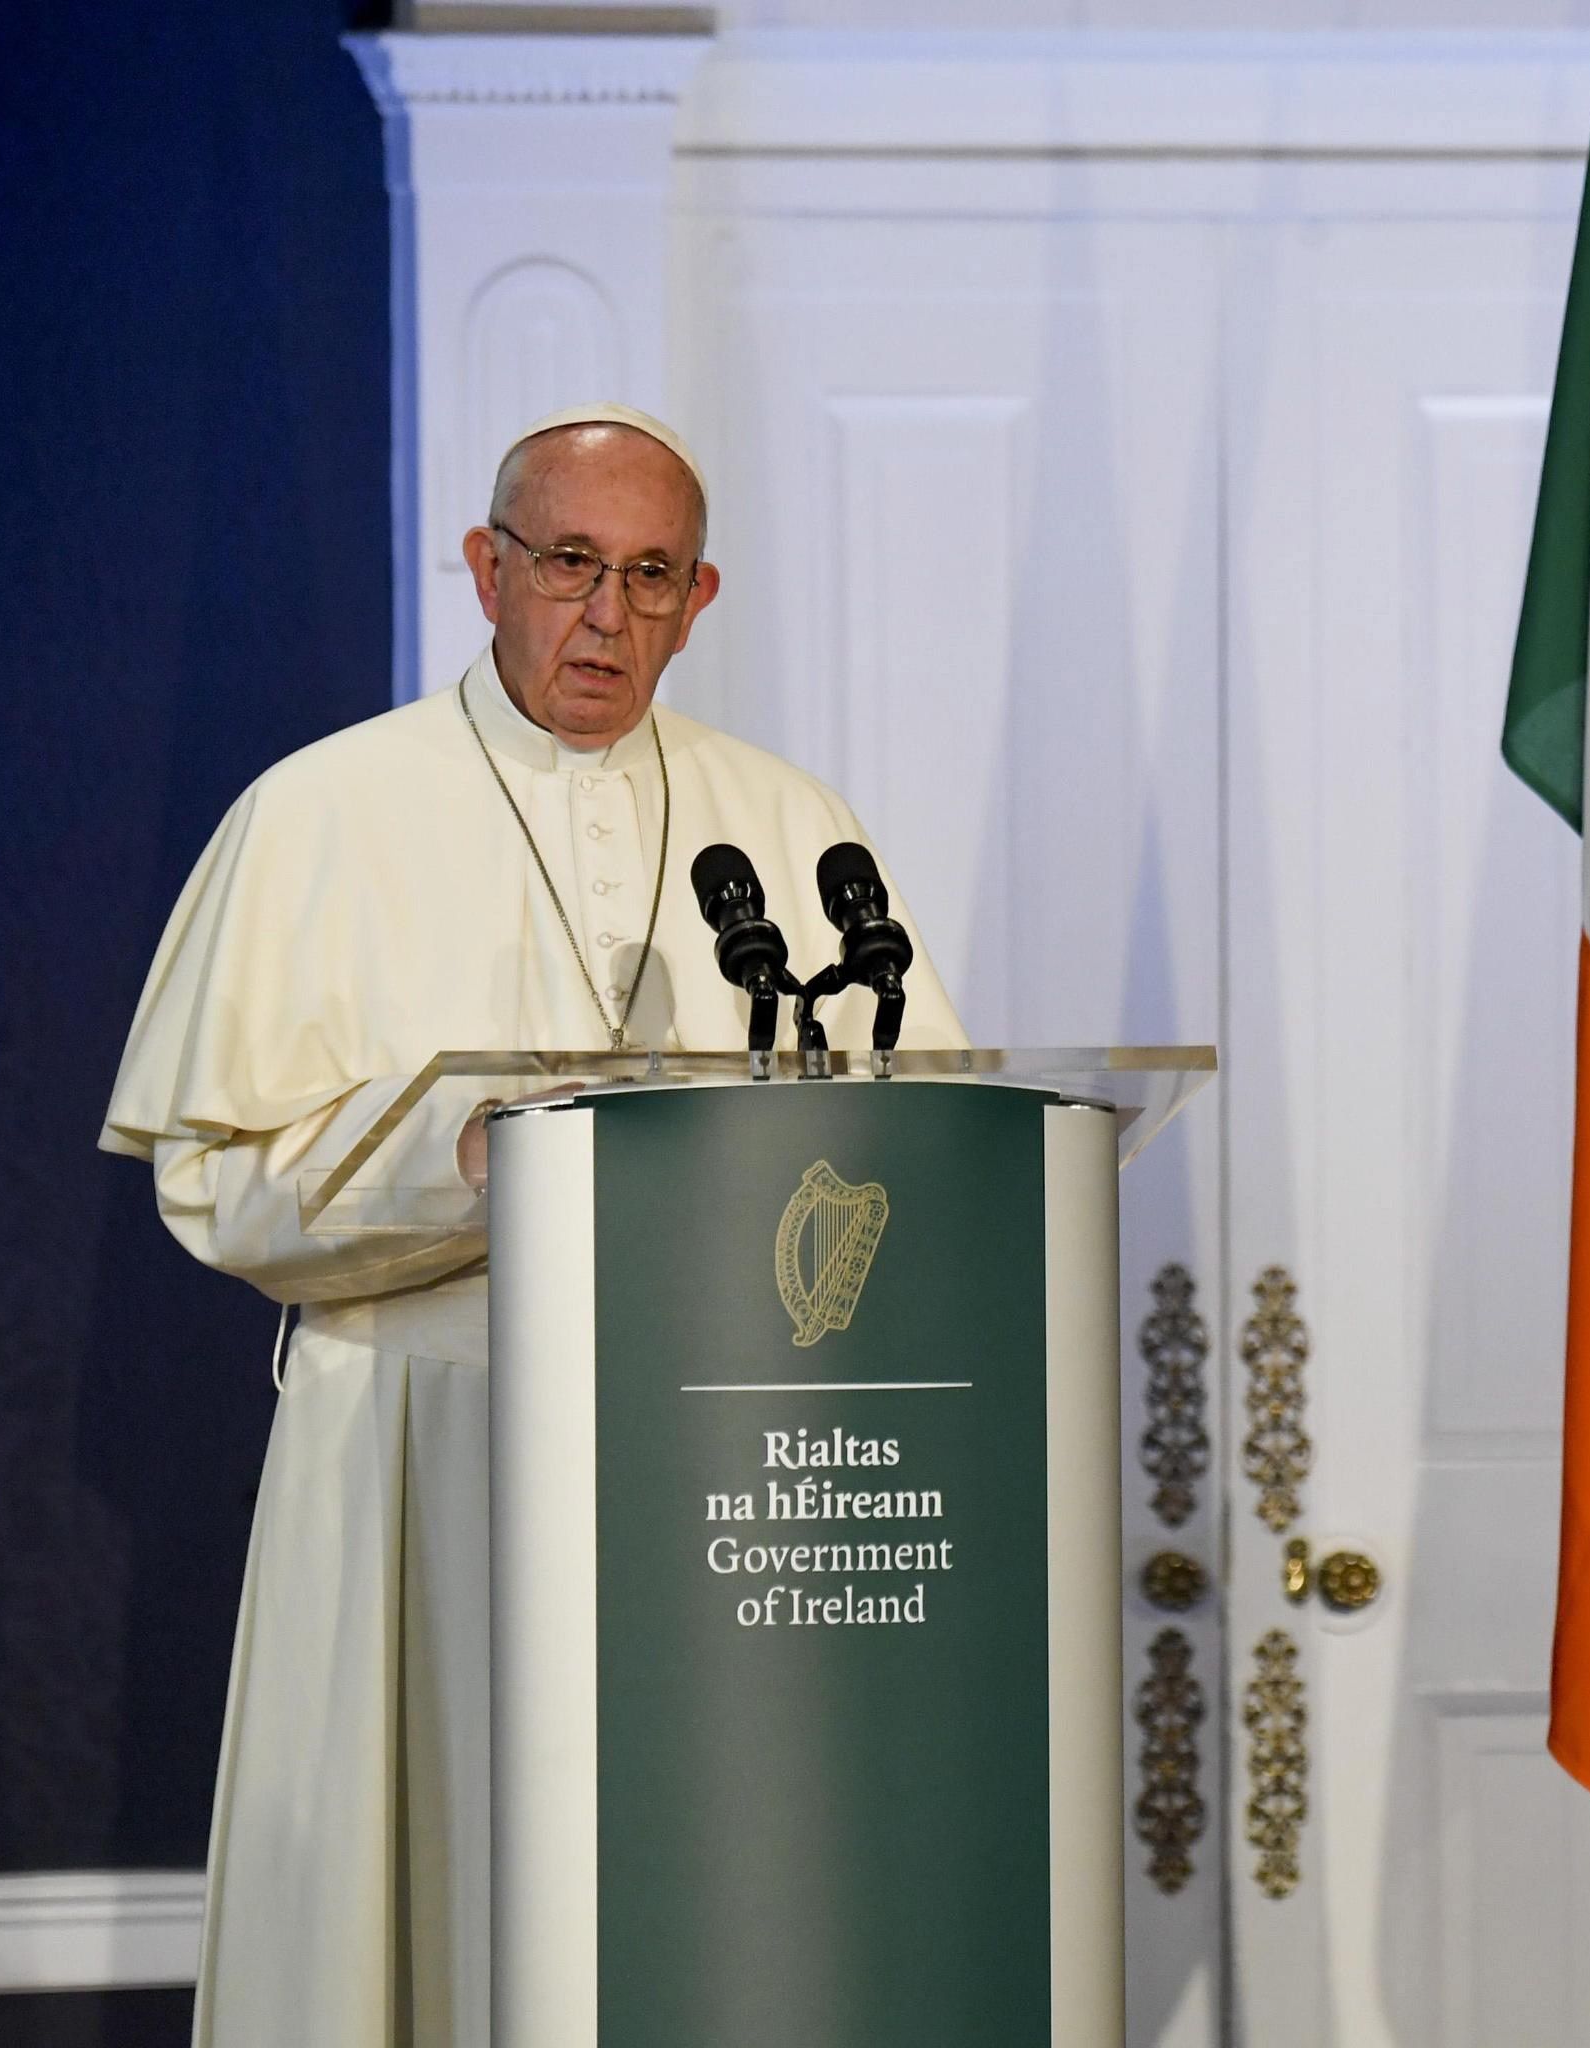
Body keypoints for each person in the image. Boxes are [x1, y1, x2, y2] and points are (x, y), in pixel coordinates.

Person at [100, 403, 964, 2047]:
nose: (608, 614)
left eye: (653, 576)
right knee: (433, 1908)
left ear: (701, 601)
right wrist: (466, 1159)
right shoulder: (323, 812)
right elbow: (213, 1179)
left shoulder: (788, 824)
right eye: (570, 563)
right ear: (488, 569)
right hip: (429, 1440)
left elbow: (908, 1138)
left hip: (726, 1466)